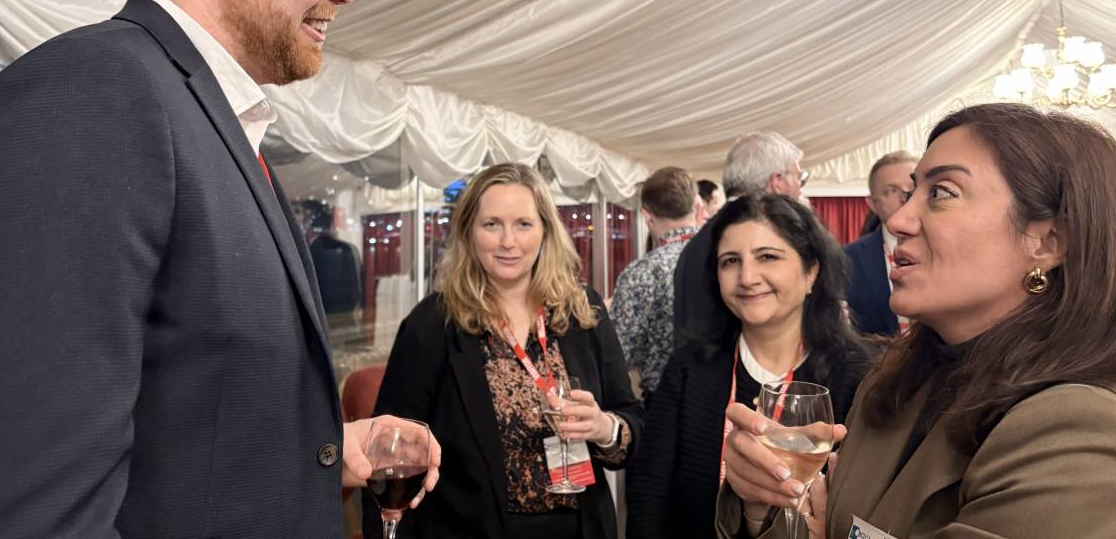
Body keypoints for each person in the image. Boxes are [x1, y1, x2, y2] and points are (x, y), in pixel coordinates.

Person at [0, 0, 438, 539]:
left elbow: (186, 416)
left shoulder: (198, 117)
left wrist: (321, 451)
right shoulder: (90, 99)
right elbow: (23, 513)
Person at [718, 102, 1116, 539]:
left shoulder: (1078, 427)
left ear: (1050, 240)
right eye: (910, 195)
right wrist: (761, 504)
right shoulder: (896, 377)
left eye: (942, 193)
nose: (898, 220)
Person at [367, 162, 644, 538]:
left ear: (546, 230)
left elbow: (632, 420)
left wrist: (605, 428)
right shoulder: (432, 324)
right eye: (492, 224)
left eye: (524, 224)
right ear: (469, 231)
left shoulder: (583, 310)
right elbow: (387, 450)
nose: (508, 241)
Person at [626, 194, 875, 539]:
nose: (746, 277)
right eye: (730, 261)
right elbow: (648, 498)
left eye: (767, 257)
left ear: (811, 272)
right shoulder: (689, 368)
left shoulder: (858, 375)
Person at [675, 131, 807, 346]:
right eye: (799, 177)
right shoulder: (761, 237)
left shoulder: (699, 241)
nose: (800, 187)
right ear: (777, 181)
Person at [611, 166, 699, 401]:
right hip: (727, 398)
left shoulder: (641, 273)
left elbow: (618, 354)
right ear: (695, 206)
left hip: (666, 401)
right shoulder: (724, 257)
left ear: (647, 215)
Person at [844, 151, 917, 336]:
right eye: (891, 190)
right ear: (872, 204)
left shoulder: (951, 248)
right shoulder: (848, 259)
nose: (905, 196)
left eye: (913, 186)